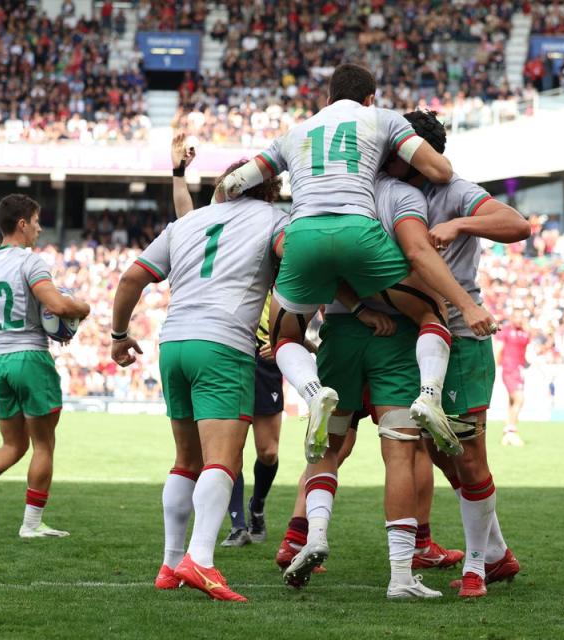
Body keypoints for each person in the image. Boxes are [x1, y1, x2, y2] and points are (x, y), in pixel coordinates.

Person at [212, 63, 496, 465]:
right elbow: (440, 170)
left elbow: (232, 185)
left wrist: (215, 212)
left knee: (285, 338)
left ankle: (313, 394)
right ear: (370, 99)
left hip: (305, 235)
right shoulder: (382, 119)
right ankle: (430, 394)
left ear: (326, 98)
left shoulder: (293, 133)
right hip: (360, 234)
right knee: (433, 311)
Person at [283, 172, 473, 598]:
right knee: (401, 452)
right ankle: (402, 575)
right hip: (398, 335)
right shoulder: (403, 195)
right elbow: (415, 250)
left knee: (328, 448)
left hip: (339, 330)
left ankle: (313, 535)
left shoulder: (333, 194)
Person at [111, 161, 287, 603]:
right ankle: (201, 561)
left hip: (175, 343)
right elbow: (295, 268)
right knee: (222, 462)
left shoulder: (188, 222)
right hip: (223, 344)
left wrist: (118, 336)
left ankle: (170, 565)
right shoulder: (274, 219)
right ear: (269, 190)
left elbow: (133, 276)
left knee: (185, 461)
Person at [388, 109, 527, 596]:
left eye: (402, 147)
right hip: (415, 337)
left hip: (463, 338)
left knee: (468, 456)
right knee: (438, 449)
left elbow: (517, 224)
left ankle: (475, 567)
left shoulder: (455, 191)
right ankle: (496, 554)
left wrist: (462, 225)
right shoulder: (386, 188)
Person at [0, 195, 91, 540]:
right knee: (43, 445)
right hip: (30, 357)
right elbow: (55, 304)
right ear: (22, 224)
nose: (40, 228)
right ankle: (31, 525)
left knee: (13, 445)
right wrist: (82, 307)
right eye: (37, 221)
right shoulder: (31, 262)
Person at [168, 132, 283, 548]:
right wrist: (179, 173)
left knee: (267, 452)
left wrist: (289, 339)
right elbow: (187, 220)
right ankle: (234, 524)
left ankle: (255, 507)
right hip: (225, 347)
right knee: (223, 452)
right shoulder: (224, 228)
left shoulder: (269, 229)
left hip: (262, 355)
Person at [497, 309, 530, 447]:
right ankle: (511, 430)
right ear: (511, 318)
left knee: (512, 401)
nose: (518, 319)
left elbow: (524, 351)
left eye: (520, 317)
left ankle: (507, 435)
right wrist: (495, 365)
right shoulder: (505, 331)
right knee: (519, 399)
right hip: (509, 369)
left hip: (519, 369)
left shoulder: (525, 333)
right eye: (516, 317)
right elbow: (499, 349)